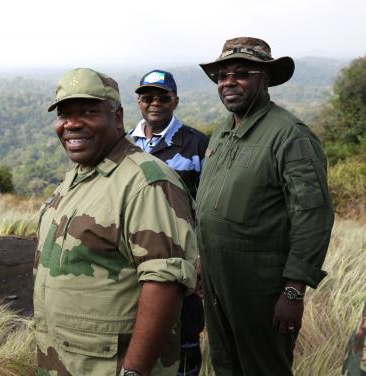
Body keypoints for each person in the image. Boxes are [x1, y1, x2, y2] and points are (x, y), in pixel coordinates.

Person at [33, 68, 199, 376]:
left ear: (118, 117)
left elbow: (164, 283)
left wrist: (133, 372)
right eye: (64, 114)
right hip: (65, 362)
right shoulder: (75, 180)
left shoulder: (146, 183)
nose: (72, 123)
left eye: (87, 111)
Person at [196, 37, 335, 375]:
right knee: (226, 362)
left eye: (242, 73)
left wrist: (293, 290)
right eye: (222, 75)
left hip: (260, 284)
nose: (229, 82)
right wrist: (202, 262)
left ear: (265, 78)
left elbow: (313, 215)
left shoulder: (289, 135)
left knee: (263, 367)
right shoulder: (222, 132)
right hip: (217, 278)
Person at [129, 69, 208, 376]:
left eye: (163, 97)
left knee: (183, 336)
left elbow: (208, 208)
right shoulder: (123, 145)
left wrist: (201, 259)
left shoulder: (196, 144)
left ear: (175, 101)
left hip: (182, 260)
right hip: (133, 260)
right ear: (139, 102)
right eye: (148, 97)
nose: (155, 103)